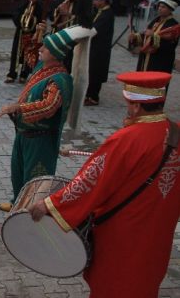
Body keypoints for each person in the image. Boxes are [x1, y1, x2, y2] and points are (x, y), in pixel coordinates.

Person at [30, 71, 180, 298]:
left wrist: (50, 204)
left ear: (136, 107)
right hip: (159, 229)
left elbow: (90, 181)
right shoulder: (176, 132)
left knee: (116, 284)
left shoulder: (126, 139)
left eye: (128, 105)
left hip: (125, 232)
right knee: (146, 279)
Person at [0, 27, 90, 212]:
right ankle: (18, 202)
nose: (41, 50)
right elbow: (29, 53)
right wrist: (39, 32)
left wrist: (19, 107)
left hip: (40, 137)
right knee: (19, 171)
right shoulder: (43, 68)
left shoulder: (60, 79)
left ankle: (30, 210)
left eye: (45, 48)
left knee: (35, 176)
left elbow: (49, 106)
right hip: (24, 133)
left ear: (55, 54)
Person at [129, 0, 179, 74]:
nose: (159, 8)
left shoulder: (174, 25)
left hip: (159, 61)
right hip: (146, 58)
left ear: (170, 10)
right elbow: (146, 35)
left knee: (154, 84)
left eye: (163, 7)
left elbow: (170, 45)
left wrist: (154, 35)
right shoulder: (156, 20)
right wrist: (135, 37)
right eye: (159, 6)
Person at [5, 0, 44, 83]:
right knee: (16, 53)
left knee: (28, 54)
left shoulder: (40, 8)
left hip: (32, 33)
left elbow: (40, 20)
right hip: (21, 32)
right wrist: (23, 17)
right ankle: (12, 74)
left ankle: (24, 74)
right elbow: (15, 15)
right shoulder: (23, 4)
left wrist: (33, 23)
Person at [84, 0, 115, 106]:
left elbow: (95, 30)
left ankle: (93, 97)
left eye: (96, 0)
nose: (94, 2)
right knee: (91, 70)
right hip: (94, 46)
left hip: (100, 48)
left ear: (103, 1)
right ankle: (88, 94)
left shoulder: (107, 14)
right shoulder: (99, 11)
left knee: (96, 71)